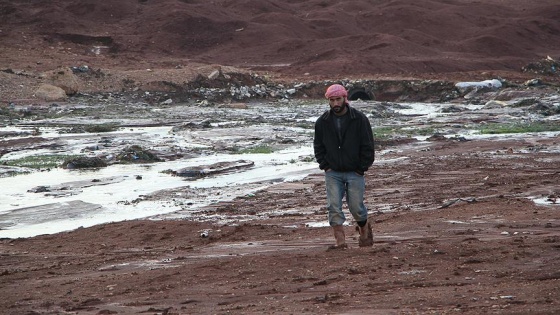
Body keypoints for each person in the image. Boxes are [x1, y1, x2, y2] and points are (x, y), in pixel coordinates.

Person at [313, 84, 375, 249]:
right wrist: (325, 166)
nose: (335, 104)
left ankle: (364, 229)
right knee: (333, 206)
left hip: (355, 171)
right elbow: (318, 146)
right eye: (332, 100)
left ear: (345, 99)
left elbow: (368, 145)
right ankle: (340, 242)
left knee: (357, 208)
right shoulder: (322, 122)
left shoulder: (360, 119)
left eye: (338, 99)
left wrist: (361, 167)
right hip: (332, 172)